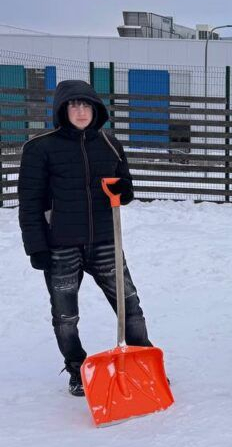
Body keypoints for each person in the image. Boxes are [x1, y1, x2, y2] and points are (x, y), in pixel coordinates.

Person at [18, 80, 153, 396]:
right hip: (60, 246)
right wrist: (36, 247)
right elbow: (30, 203)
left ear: (96, 109)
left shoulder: (109, 143)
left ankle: (141, 359)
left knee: (129, 306)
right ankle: (77, 369)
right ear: (63, 110)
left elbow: (127, 189)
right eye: (74, 106)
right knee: (66, 316)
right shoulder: (40, 148)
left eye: (86, 105)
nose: (81, 111)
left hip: (106, 240)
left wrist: (123, 191)